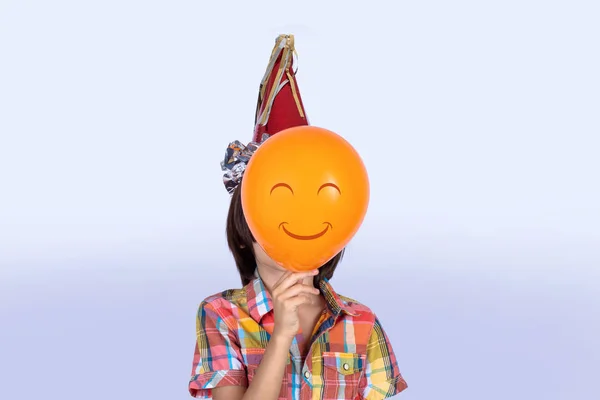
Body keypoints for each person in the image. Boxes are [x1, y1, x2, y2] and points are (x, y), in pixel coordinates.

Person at [188, 34, 407, 400]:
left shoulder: (362, 323)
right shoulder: (220, 314)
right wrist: (281, 336)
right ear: (244, 231)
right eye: (276, 208)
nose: (298, 222)